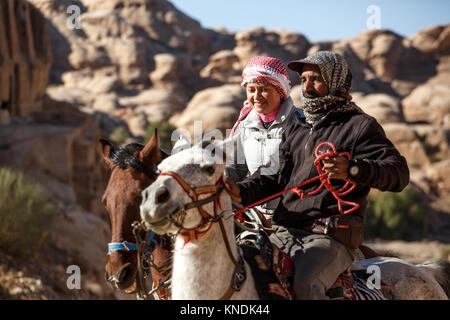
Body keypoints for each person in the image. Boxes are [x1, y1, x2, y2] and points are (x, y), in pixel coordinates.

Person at [225, 51, 410, 299]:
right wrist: (241, 190)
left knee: (305, 283)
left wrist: (353, 169)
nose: (308, 86)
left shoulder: (360, 126)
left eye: (316, 79)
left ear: (337, 82)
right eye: (303, 80)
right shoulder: (298, 127)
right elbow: (272, 176)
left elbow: (399, 174)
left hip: (330, 235)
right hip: (284, 230)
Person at [226, 56, 300, 223]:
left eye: (264, 89)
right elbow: (238, 169)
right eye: (251, 89)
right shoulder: (245, 125)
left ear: (280, 91)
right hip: (254, 216)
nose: (257, 96)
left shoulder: (299, 123)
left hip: (292, 216)